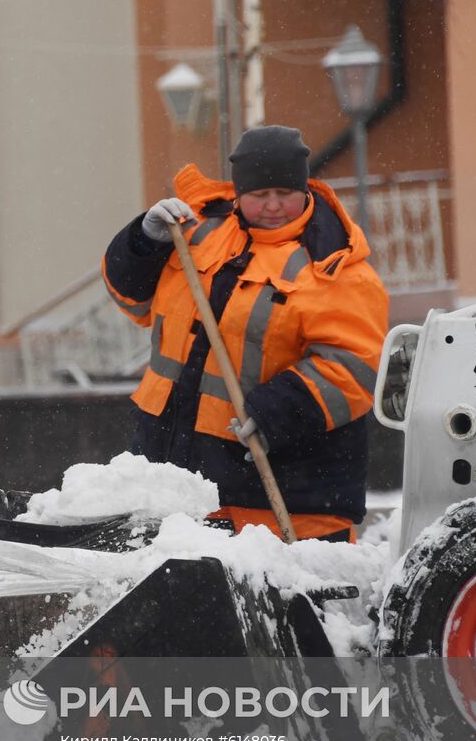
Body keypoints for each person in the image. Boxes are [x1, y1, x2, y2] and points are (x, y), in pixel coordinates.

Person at [101, 125, 388, 542]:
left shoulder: (336, 267)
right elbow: (134, 301)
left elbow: (354, 368)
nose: (273, 206)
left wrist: (275, 411)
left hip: (283, 500)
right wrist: (143, 243)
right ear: (238, 193)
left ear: (304, 187)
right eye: (258, 195)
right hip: (173, 478)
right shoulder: (197, 234)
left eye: (284, 193)